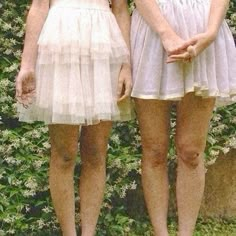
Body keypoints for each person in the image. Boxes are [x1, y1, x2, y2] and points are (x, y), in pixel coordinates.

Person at [16, 0, 132, 235]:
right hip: (61, 45)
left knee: (96, 151)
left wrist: (126, 65)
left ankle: (88, 232)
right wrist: (27, 64)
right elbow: (39, 7)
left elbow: (120, 9)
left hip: (103, 46)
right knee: (64, 153)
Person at [131, 0, 236, 235]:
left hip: (204, 33)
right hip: (153, 34)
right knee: (154, 150)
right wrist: (166, 34)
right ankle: (160, 232)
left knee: (191, 151)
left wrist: (210, 32)